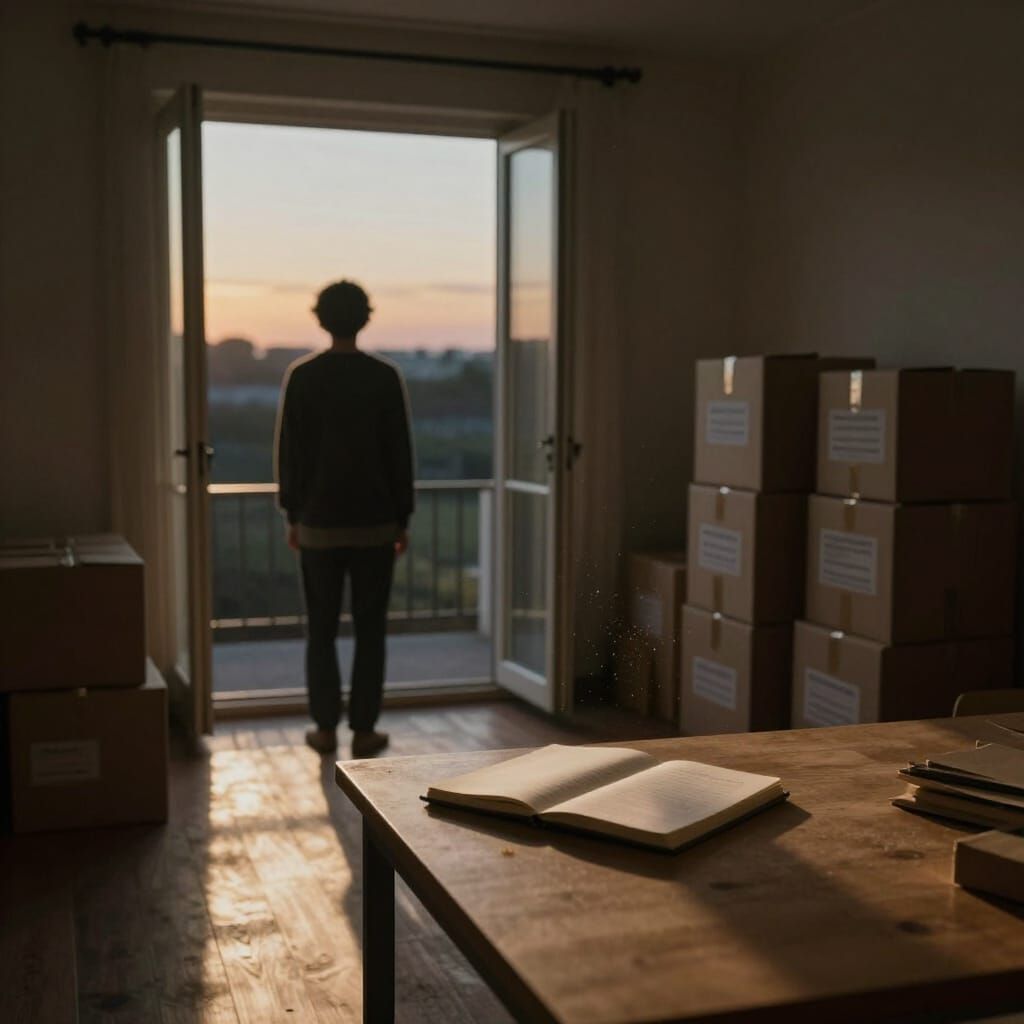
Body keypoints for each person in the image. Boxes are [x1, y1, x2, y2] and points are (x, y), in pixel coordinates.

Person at [275, 280, 414, 758]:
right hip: (376, 523)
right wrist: (402, 517)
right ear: (366, 318)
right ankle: (364, 730)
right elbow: (399, 452)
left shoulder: (303, 376)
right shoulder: (384, 376)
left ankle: (325, 728)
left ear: (320, 318)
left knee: (322, 630)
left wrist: (292, 513)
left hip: (317, 524)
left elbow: (290, 453)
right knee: (370, 630)